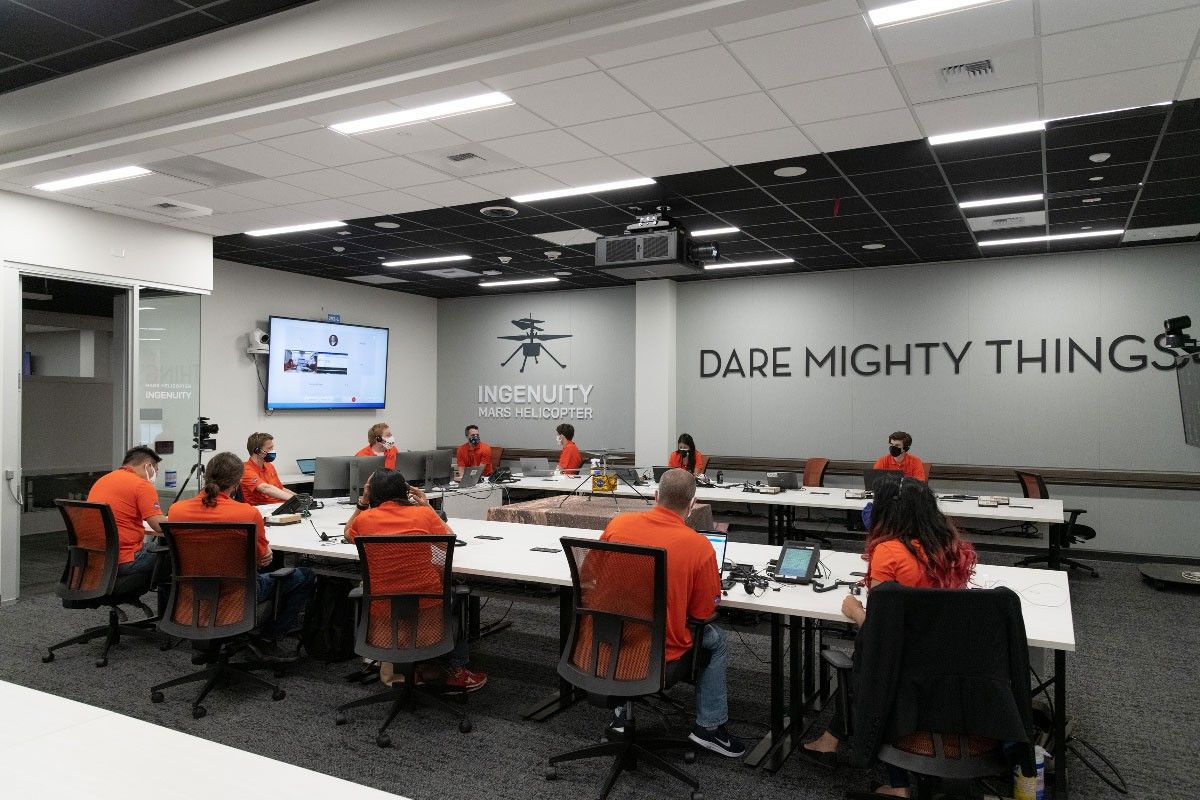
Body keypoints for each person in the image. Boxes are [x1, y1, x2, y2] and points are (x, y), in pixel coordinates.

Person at [802, 475, 978, 796]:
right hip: (945, 660)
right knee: (865, 657)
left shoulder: (888, 552)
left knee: (865, 654)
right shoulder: (952, 549)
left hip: (900, 665)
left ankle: (897, 786)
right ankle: (832, 740)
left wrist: (854, 609)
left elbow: (880, 630)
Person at [598, 468, 744, 758]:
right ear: (692, 505)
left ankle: (619, 715)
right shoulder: (698, 546)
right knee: (716, 639)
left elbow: (599, 578)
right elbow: (703, 613)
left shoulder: (617, 525)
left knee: (627, 617)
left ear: (655, 496)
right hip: (658, 656)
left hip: (608, 646)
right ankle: (709, 729)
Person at [344, 469, 487, 693]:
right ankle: (454, 669)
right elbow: (447, 541)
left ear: (373, 493)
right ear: (405, 491)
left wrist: (363, 501)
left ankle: (410, 667)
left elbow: (346, 534)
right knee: (455, 594)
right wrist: (427, 506)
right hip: (428, 610)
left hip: (384, 613)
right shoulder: (423, 515)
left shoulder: (364, 520)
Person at [168, 451, 314, 662]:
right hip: (238, 594)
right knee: (304, 576)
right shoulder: (247, 513)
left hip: (193, 594)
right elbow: (264, 558)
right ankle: (269, 638)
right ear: (237, 483)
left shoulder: (176, 510)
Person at [86, 445, 168, 598]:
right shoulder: (142, 485)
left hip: (98, 559)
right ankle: (171, 614)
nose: (155, 474)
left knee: (153, 546)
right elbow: (159, 525)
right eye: (156, 470)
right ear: (148, 466)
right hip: (125, 559)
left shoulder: (103, 481)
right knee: (176, 556)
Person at [241, 432, 295, 505]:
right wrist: (295, 499)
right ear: (257, 451)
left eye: (272, 447)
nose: (273, 451)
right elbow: (265, 488)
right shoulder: (246, 470)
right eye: (269, 448)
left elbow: (281, 489)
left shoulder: (269, 466)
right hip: (262, 509)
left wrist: (299, 497)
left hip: (277, 505)